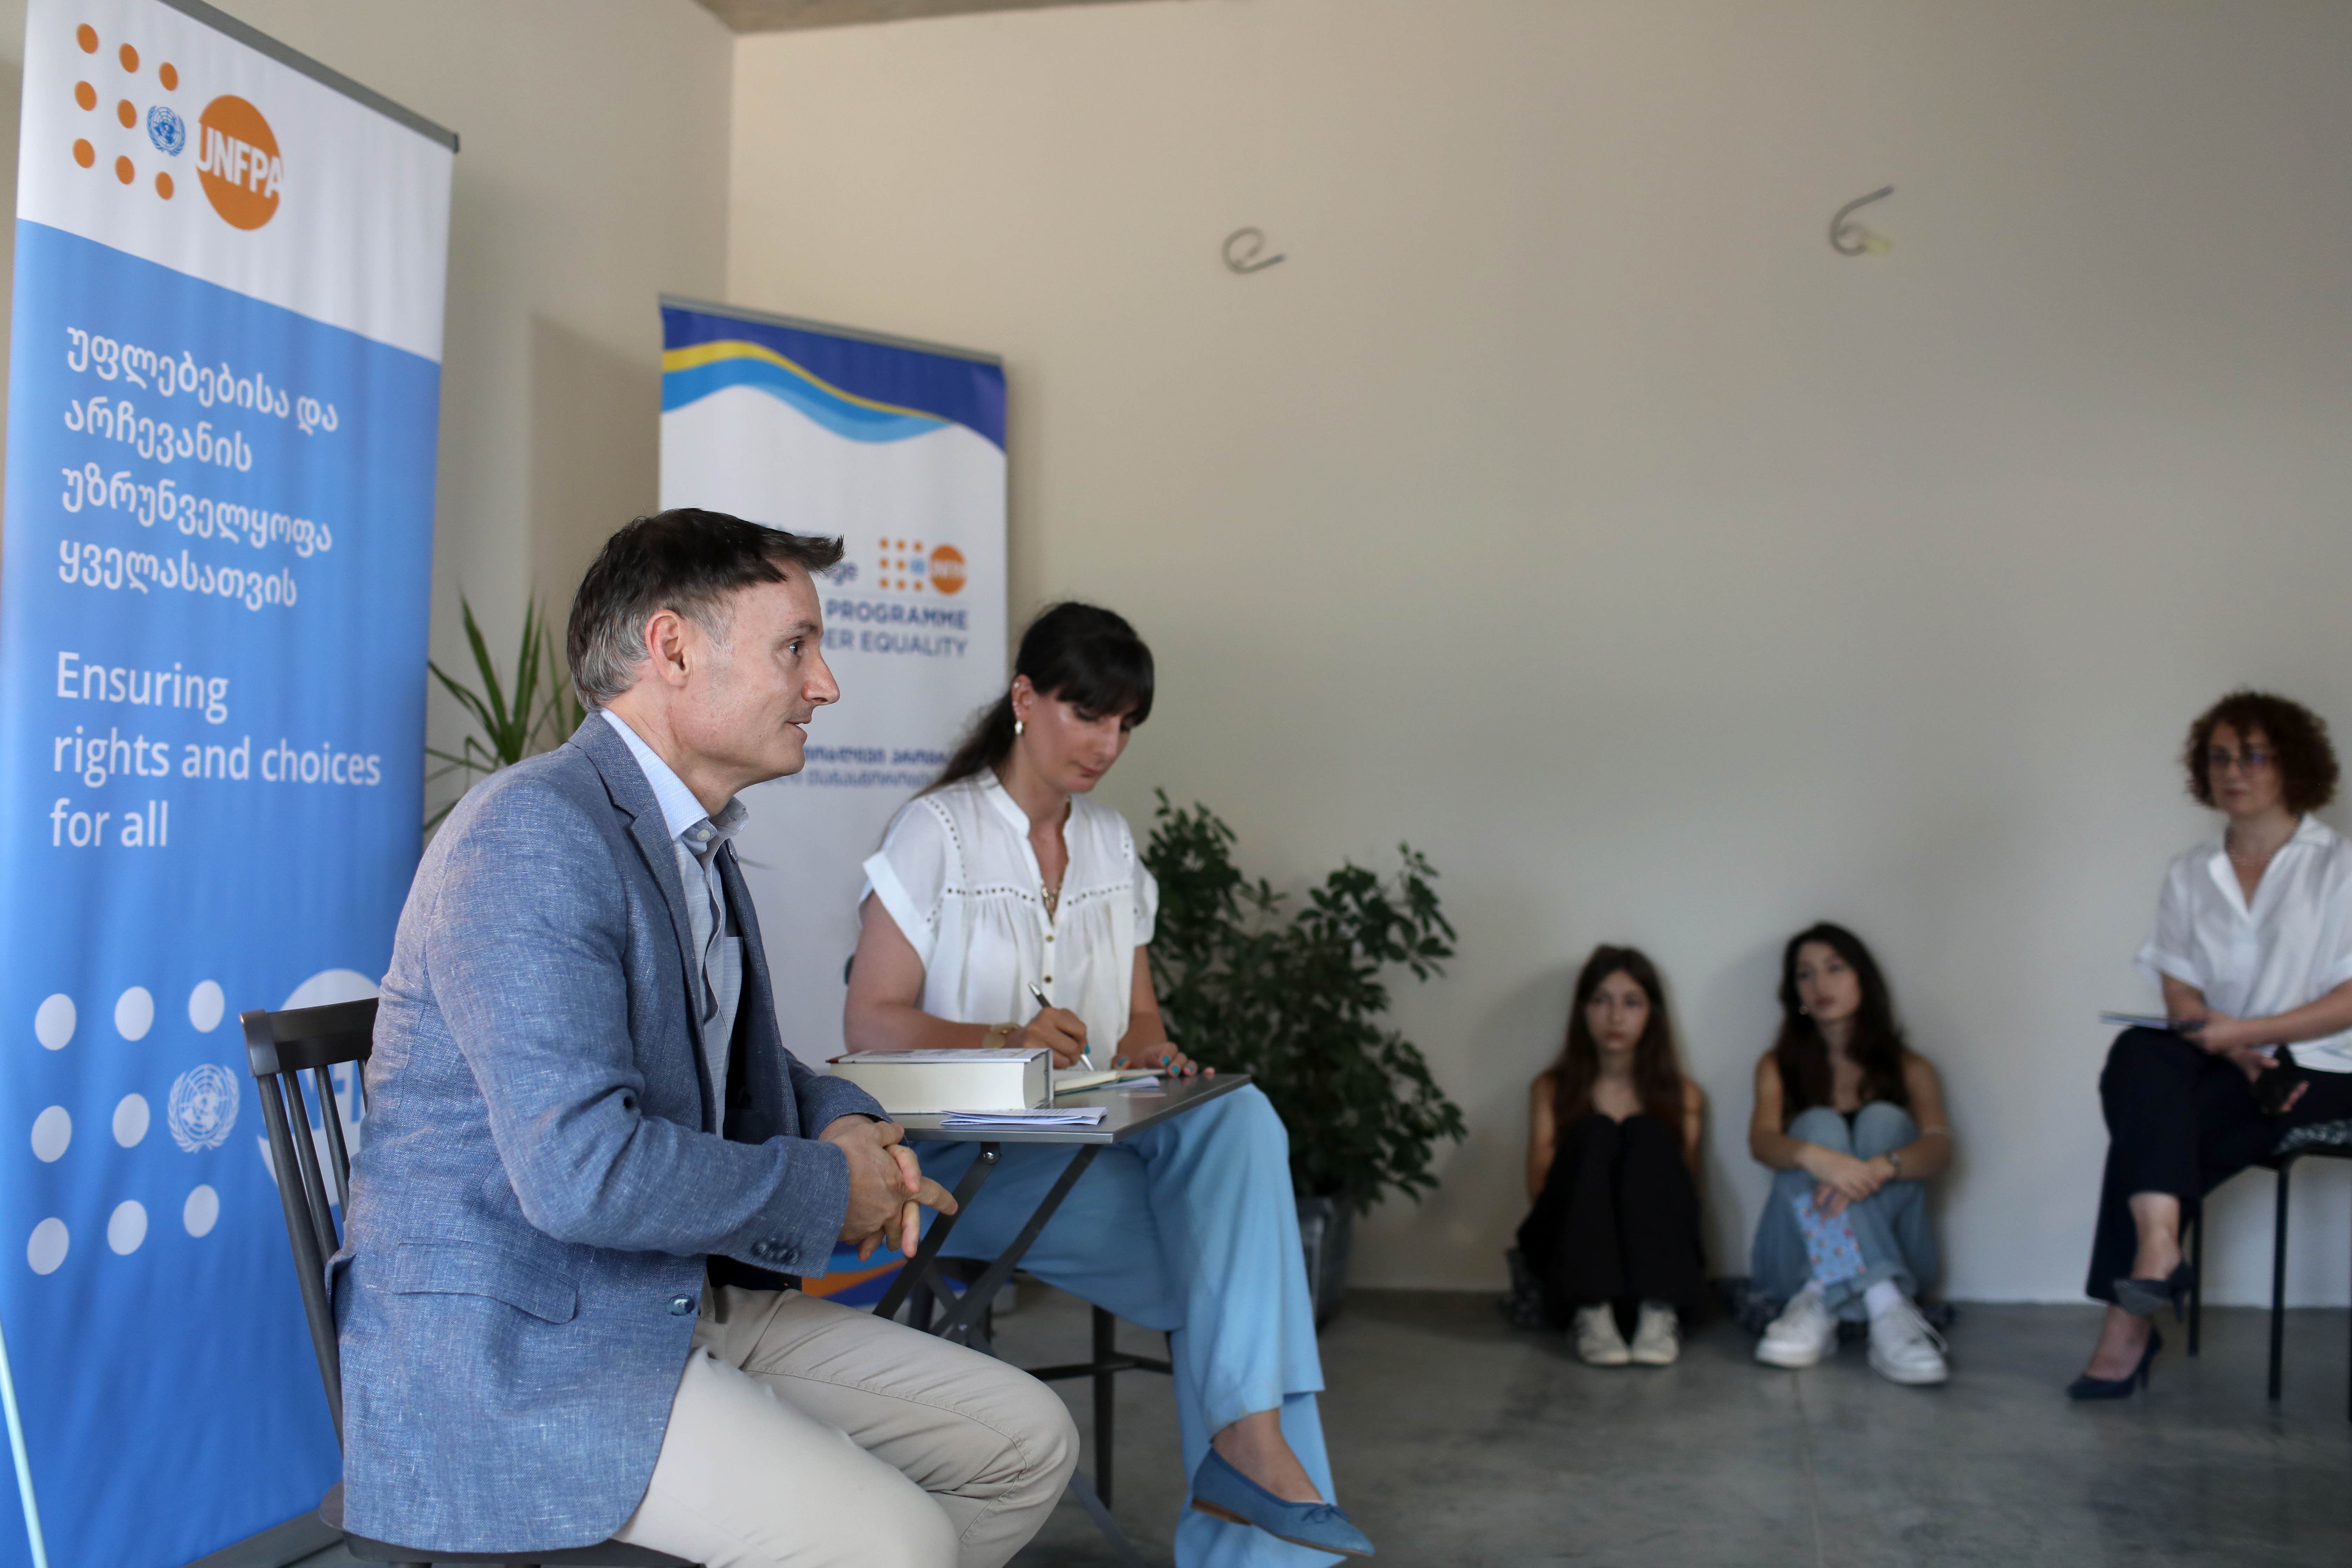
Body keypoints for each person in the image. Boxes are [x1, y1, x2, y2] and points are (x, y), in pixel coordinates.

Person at [336, 511, 1078, 1568]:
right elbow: (582, 1172)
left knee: (1026, 1440)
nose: (825, 685)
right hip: (520, 1354)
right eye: (796, 646)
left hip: (662, 1295)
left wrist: (851, 1120)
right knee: (899, 1541)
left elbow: (735, 1062)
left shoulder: (686, 840)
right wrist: (829, 1189)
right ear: (673, 648)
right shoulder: (533, 832)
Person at [845, 602, 1372, 1563]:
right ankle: (1252, 1477)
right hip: (968, 1163)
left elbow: (1141, 1024)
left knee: (1239, 1115)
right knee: (1244, 1280)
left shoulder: (1113, 844)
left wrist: (1161, 1058)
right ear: (1024, 699)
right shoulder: (939, 832)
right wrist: (1006, 1037)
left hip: (1096, 1144)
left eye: (1125, 724)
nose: (1108, 743)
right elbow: (870, 1020)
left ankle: (1247, 1456)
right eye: (1089, 714)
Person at [2068, 690, 2352, 1399]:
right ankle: (2160, 1247)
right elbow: (2181, 991)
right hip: (2227, 1058)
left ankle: (2129, 1318)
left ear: (2290, 764)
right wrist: (2228, 1046)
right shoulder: (2192, 870)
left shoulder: (2340, 866)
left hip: (2323, 1063)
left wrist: (2250, 1035)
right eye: (2221, 755)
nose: (2235, 769)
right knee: (2139, 1052)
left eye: (2253, 753)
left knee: (2155, 1128)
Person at [1747, 923, 1954, 1385]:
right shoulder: (1777, 1064)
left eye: (1835, 969)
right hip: (1791, 1263)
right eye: (1806, 974)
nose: (1820, 986)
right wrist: (1817, 1159)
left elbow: (1940, 1148)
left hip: (1906, 1256)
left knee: (1885, 1121)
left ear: (1864, 978)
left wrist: (1882, 1167)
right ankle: (1877, 1303)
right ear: (1794, 990)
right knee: (1816, 1127)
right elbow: (1761, 1141)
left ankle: (1841, 1291)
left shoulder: (1910, 1066)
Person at [1517, 946, 1705, 1367]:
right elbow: (1541, 1194)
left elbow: (1686, 1199)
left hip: (1656, 1263)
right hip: (1571, 1264)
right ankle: (1593, 1314)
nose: (1616, 1018)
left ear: (1651, 1013)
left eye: (1631, 1003)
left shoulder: (1682, 1094)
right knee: (1597, 1132)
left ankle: (1659, 1313)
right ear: (1583, 1010)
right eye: (1601, 1001)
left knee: (1646, 1132)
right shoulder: (1552, 1088)